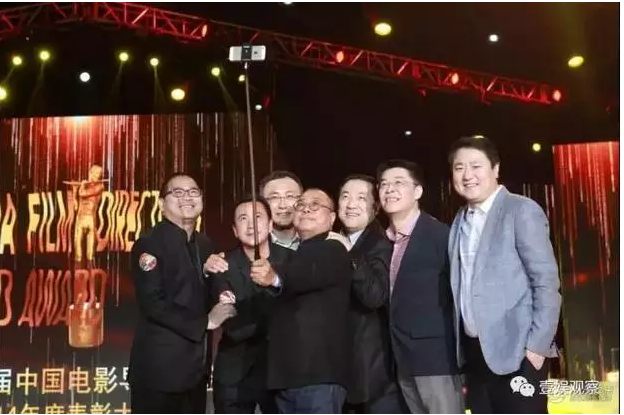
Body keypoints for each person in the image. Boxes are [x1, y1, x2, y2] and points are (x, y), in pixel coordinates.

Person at [447, 135, 561, 413]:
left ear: (495, 169)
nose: (467, 175)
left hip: (519, 354)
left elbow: (545, 282)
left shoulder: (520, 209)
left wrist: (536, 347)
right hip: (475, 357)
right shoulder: (459, 220)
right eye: (459, 168)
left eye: (476, 166)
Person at [128, 173, 236, 414]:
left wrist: (223, 292)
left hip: (196, 371)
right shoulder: (149, 243)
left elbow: (210, 284)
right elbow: (152, 303)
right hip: (159, 372)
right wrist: (205, 322)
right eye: (178, 192)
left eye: (193, 192)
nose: (187, 197)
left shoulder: (205, 243)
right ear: (161, 204)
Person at [251, 188, 353, 414]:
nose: (306, 208)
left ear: (332, 217)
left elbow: (306, 273)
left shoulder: (334, 247)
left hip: (318, 377)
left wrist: (274, 278)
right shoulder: (296, 253)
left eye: (315, 205)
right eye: (301, 205)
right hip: (288, 378)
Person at [377, 159, 464, 414]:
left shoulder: (440, 235)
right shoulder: (382, 241)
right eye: (383, 184)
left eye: (398, 183)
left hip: (435, 360)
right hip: (398, 359)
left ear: (418, 191)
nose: (389, 189)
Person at [205, 196, 291, 414]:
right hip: (235, 371)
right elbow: (226, 306)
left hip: (281, 370)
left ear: (270, 224)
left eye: (257, 217)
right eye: (243, 219)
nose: (251, 225)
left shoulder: (292, 260)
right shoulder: (223, 263)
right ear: (235, 230)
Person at [337, 174, 405, 414]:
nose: (351, 204)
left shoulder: (381, 244)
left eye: (361, 198)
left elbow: (374, 295)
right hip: (339, 368)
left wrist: (349, 253)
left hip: (372, 373)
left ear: (375, 208)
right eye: (345, 197)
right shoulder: (333, 241)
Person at [259, 170, 303, 250]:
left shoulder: (317, 242)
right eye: (274, 197)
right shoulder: (255, 245)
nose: (283, 205)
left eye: (290, 196)